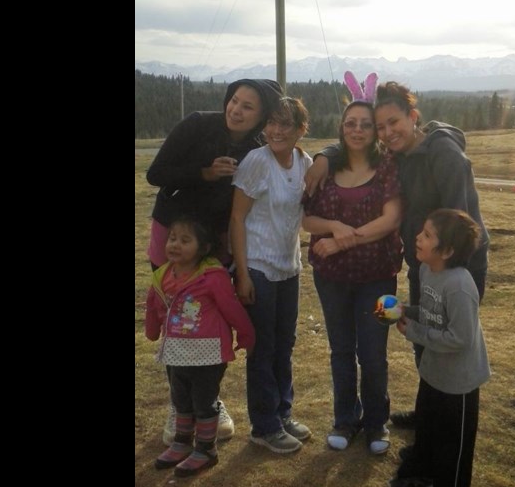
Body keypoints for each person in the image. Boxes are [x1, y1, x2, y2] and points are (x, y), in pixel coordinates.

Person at [305, 80, 490, 429]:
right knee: (426, 342)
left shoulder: (443, 154)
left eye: (394, 123)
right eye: (381, 126)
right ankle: (428, 419)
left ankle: (447, 431)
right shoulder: (398, 155)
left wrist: (450, 274)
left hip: (457, 266)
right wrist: (324, 156)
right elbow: (350, 144)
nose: (387, 132)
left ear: (414, 117)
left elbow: (461, 225)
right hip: (424, 264)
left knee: (451, 345)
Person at [146, 78, 282, 443]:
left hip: (215, 246)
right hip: (173, 239)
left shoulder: (259, 146)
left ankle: (210, 401)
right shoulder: (197, 123)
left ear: (262, 116)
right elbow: (155, 174)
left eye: (247, 106)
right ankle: (180, 408)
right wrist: (204, 172)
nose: (236, 110)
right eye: (234, 100)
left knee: (208, 325)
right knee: (178, 324)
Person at [302, 85, 403, 455]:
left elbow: (391, 220)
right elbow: (307, 220)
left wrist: (345, 239)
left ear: (375, 131)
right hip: (331, 280)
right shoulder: (326, 169)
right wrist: (331, 225)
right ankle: (345, 418)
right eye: (350, 124)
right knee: (341, 350)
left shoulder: (387, 167)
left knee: (374, 353)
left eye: (365, 124)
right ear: (342, 129)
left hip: (381, 276)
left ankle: (377, 423)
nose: (357, 130)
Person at [229, 97, 314, 453]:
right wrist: (243, 274)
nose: (276, 131)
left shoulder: (305, 162)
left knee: (284, 345)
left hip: (289, 268)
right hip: (259, 269)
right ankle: (264, 426)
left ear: (300, 130)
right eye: (272, 123)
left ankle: (282, 413)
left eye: (286, 124)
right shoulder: (256, 162)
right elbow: (236, 219)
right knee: (262, 349)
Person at [387, 209, 490, 487]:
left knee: (453, 446)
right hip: (434, 373)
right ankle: (421, 474)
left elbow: (460, 338)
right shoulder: (426, 270)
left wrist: (415, 332)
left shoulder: (460, 286)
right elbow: (433, 313)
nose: (418, 237)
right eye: (421, 231)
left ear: (447, 250)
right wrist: (405, 311)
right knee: (428, 429)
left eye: (427, 235)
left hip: (459, 384)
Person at [145, 217, 256, 477]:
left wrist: (246, 334)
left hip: (208, 354)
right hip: (175, 351)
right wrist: (151, 331)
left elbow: (231, 308)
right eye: (172, 238)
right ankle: (182, 443)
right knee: (180, 398)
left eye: (185, 241)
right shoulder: (161, 275)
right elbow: (154, 305)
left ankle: (206, 449)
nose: (175, 245)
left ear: (203, 248)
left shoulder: (212, 277)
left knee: (203, 402)